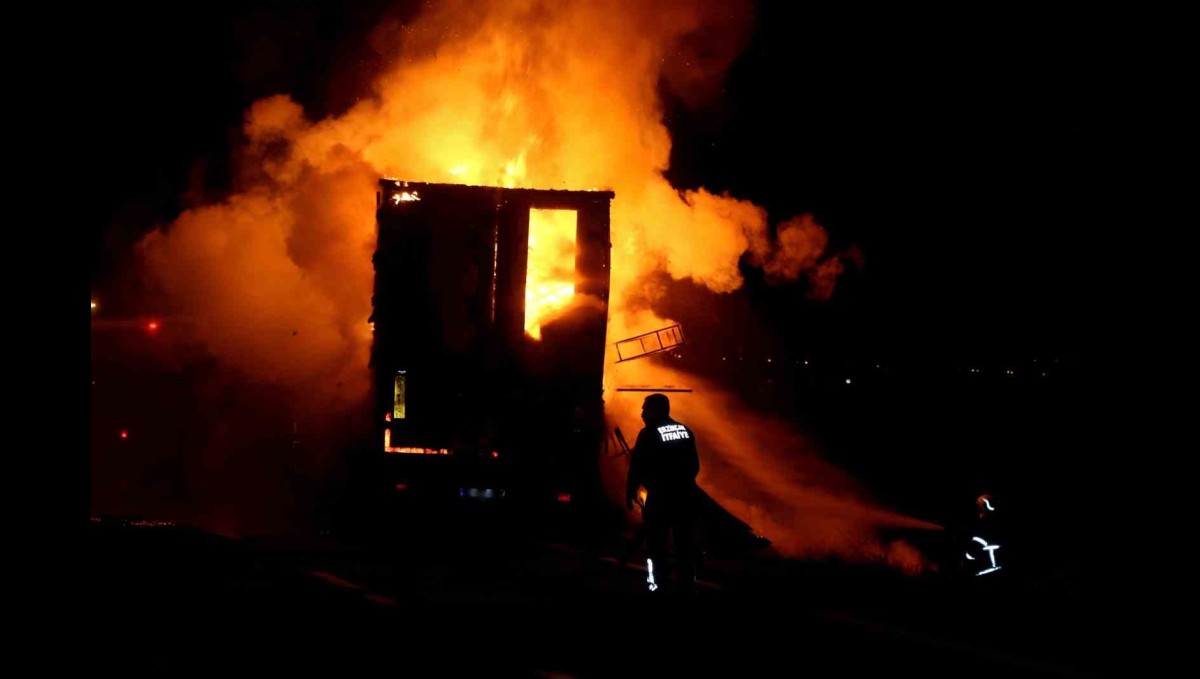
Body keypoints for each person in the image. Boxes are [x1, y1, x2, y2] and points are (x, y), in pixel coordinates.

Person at [625, 393, 700, 592]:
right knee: (684, 546)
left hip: (660, 499)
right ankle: (687, 585)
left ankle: (657, 585)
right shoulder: (685, 430)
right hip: (685, 498)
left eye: (645, 408)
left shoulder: (648, 433)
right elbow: (694, 466)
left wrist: (631, 490)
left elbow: (637, 467)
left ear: (657, 410)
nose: (642, 413)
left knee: (656, 546)